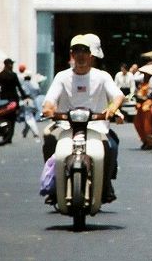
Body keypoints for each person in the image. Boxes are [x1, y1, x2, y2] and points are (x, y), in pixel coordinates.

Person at [41, 35, 124, 201]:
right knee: (49, 139)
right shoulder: (61, 77)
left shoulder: (102, 76)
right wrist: (48, 109)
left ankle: (105, 185)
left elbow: (118, 96)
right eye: (76, 51)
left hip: (97, 126)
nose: (80, 55)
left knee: (111, 146)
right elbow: (49, 101)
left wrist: (113, 108)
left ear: (91, 56)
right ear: (71, 55)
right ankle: (55, 184)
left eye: (84, 51)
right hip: (66, 126)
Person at [133, 63, 152, 149]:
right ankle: (144, 140)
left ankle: (149, 143)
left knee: (147, 125)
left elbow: (150, 95)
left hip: (147, 106)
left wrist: (141, 97)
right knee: (137, 123)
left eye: (146, 74)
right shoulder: (142, 83)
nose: (144, 75)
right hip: (141, 106)